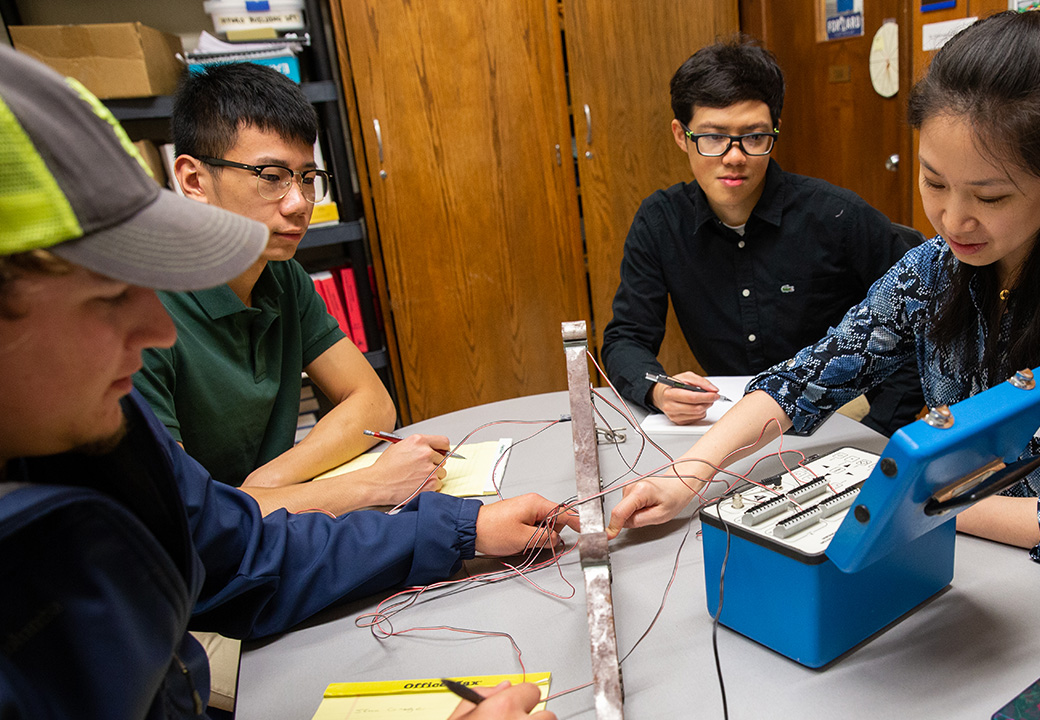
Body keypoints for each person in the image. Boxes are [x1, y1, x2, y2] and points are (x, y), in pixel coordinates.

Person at [0, 45, 566, 719]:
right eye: (108, 295)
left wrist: (463, 529)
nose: (156, 328)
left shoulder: (95, 427)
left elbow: (245, 550)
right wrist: (358, 489)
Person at [606, 11, 1040, 589]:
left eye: (991, 195)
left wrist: (911, 500)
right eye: (933, 182)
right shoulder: (935, 271)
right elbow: (805, 380)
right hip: (961, 565)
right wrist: (687, 476)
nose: (954, 220)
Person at [132, 62, 440, 516]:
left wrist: (266, 483)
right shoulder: (136, 311)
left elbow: (373, 402)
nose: (298, 204)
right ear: (194, 180)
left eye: (307, 178)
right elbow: (180, 512)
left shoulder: (279, 273)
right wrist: (373, 484)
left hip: (265, 524)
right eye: (271, 177)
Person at [599, 35, 923, 435]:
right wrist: (659, 391)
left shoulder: (837, 216)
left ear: (775, 131)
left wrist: (875, 430)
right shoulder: (660, 222)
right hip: (729, 423)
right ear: (682, 136)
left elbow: (921, 325)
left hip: (836, 418)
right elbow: (625, 339)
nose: (734, 157)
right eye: (713, 138)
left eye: (753, 137)